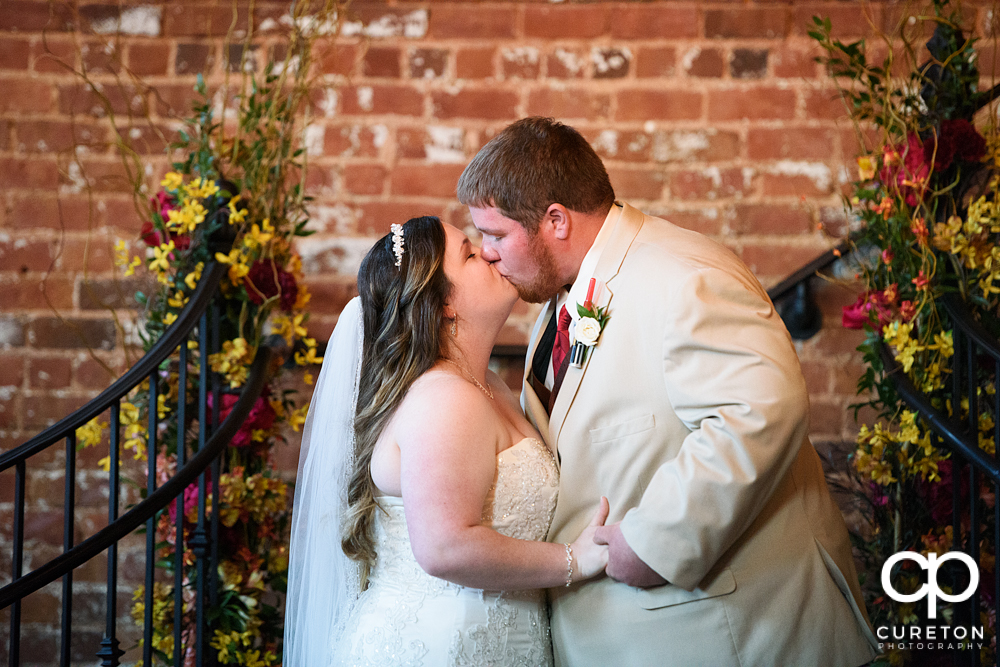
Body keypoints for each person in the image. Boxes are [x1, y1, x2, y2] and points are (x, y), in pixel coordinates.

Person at [457, 117, 880, 666]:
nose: (486, 252)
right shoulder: (560, 302)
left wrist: (659, 542)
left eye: (495, 234)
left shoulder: (683, 277)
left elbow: (758, 410)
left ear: (555, 220)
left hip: (727, 631)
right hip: (631, 634)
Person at [283, 215, 610, 666]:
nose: (491, 252)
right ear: (443, 307)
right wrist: (576, 560)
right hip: (437, 646)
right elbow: (445, 547)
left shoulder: (486, 385)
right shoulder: (444, 397)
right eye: (471, 254)